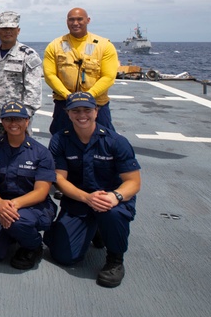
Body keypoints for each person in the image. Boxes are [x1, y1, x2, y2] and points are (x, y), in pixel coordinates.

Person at [45, 93, 141, 288]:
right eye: (76, 111)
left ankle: (115, 260)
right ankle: (95, 228)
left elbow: (133, 182)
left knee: (112, 213)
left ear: (96, 112)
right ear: (68, 113)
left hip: (109, 200)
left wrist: (115, 196)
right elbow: (60, 178)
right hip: (79, 200)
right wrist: (86, 197)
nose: (82, 115)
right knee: (64, 256)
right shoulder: (60, 140)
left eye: (87, 110)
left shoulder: (115, 141)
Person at [0, 102, 57, 270]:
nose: (13, 124)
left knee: (18, 222)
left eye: (18, 119)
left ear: (27, 121)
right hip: (1, 202)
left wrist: (13, 205)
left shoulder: (40, 152)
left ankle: (33, 245)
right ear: (2, 122)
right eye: (8, 119)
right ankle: (10, 234)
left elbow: (41, 191)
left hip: (33, 205)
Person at [43, 7, 119, 134]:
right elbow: (49, 75)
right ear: (67, 22)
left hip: (96, 105)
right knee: (61, 141)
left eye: (79, 19)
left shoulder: (104, 45)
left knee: (104, 140)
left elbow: (109, 76)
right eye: (71, 20)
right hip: (65, 104)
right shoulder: (55, 46)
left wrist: (88, 96)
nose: (75, 23)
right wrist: (68, 96)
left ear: (88, 20)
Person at [0, 11, 43, 140]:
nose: (7, 32)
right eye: (4, 28)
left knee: (21, 154)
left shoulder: (28, 55)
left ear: (18, 30)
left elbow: (33, 91)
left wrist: (25, 116)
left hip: (18, 119)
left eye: (11, 28)